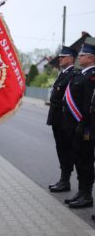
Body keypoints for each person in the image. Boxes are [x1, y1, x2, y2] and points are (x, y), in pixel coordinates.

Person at [63, 39, 95, 208]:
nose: (79, 58)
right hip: (74, 126)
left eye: (82, 55)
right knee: (78, 159)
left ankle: (87, 195)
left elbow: (89, 105)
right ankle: (81, 191)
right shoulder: (81, 75)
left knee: (85, 160)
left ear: (91, 58)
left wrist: (84, 126)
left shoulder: (91, 77)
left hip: (85, 128)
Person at [47, 46, 78, 193]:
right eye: (60, 57)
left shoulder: (73, 75)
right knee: (60, 148)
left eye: (63, 57)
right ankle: (63, 180)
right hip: (57, 119)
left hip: (65, 120)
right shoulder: (63, 74)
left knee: (66, 149)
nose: (60, 59)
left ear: (71, 58)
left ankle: (65, 180)